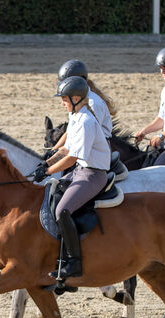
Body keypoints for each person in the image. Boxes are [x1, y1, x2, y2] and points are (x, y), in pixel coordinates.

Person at [33, 76, 111, 279]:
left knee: (62, 210)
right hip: (80, 171)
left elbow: (73, 157)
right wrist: (46, 164)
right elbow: (66, 148)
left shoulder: (86, 121)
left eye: (64, 99)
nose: (62, 102)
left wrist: (50, 172)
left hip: (93, 174)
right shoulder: (76, 117)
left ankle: (75, 262)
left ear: (77, 98)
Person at [49, 59, 116, 153]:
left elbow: (88, 136)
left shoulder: (94, 103)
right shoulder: (75, 100)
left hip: (95, 150)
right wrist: (54, 150)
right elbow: (70, 131)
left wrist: (62, 152)